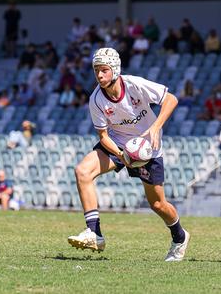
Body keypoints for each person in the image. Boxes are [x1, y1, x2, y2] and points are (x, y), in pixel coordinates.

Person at [67, 48, 190, 261]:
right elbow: (103, 136)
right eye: (96, 70)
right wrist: (122, 154)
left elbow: (171, 99)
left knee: (158, 205)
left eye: (104, 70)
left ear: (115, 69)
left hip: (147, 149)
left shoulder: (134, 84)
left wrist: (155, 128)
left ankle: (180, 236)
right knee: (83, 171)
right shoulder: (96, 99)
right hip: (118, 144)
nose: (100, 75)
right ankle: (94, 233)